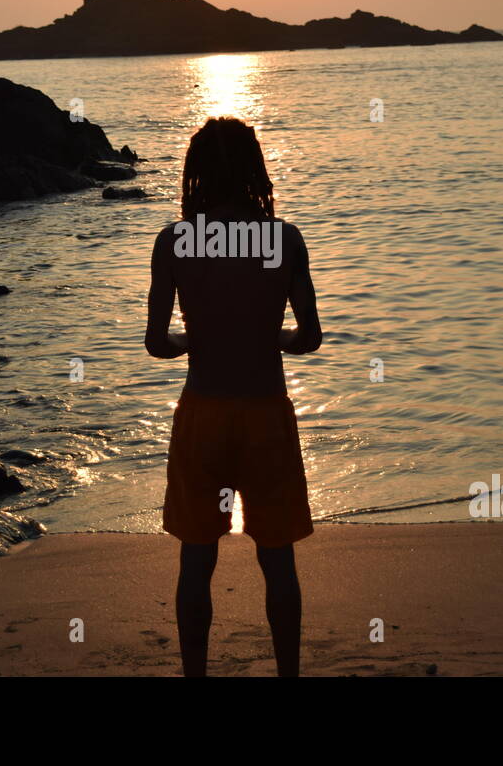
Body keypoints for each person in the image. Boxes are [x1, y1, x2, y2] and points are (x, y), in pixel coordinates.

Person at [145, 116, 323, 676]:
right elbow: (309, 339)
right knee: (279, 561)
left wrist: (195, 337)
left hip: (203, 416)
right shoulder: (283, 239)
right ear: (255, 169)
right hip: (266, 416)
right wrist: (271, 335)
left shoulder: (175, 241)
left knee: (196, 560)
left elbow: (157, 344)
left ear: (195, 173)